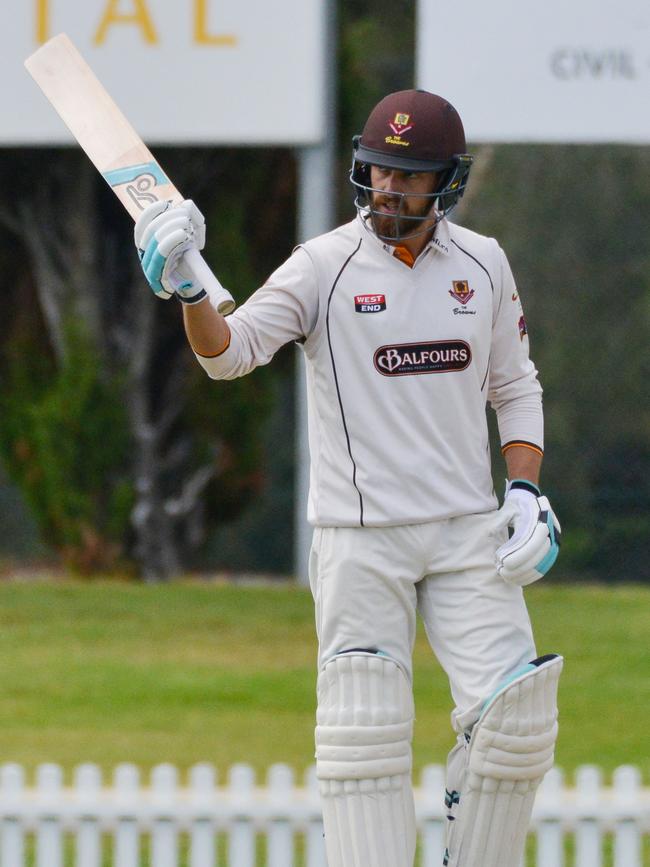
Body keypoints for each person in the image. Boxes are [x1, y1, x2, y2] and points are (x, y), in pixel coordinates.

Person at [133, 89, 563, 867]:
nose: (391, 190)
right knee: (365, 739)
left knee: (520, 720)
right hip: (360, 539)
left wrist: (526, 490)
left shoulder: (484, 264)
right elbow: (228, 352)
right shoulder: (323, 266)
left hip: (468, 529)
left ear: (447, 184)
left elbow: (516, 385)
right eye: (379, 171)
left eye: (410, 176)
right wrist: (191, 290)